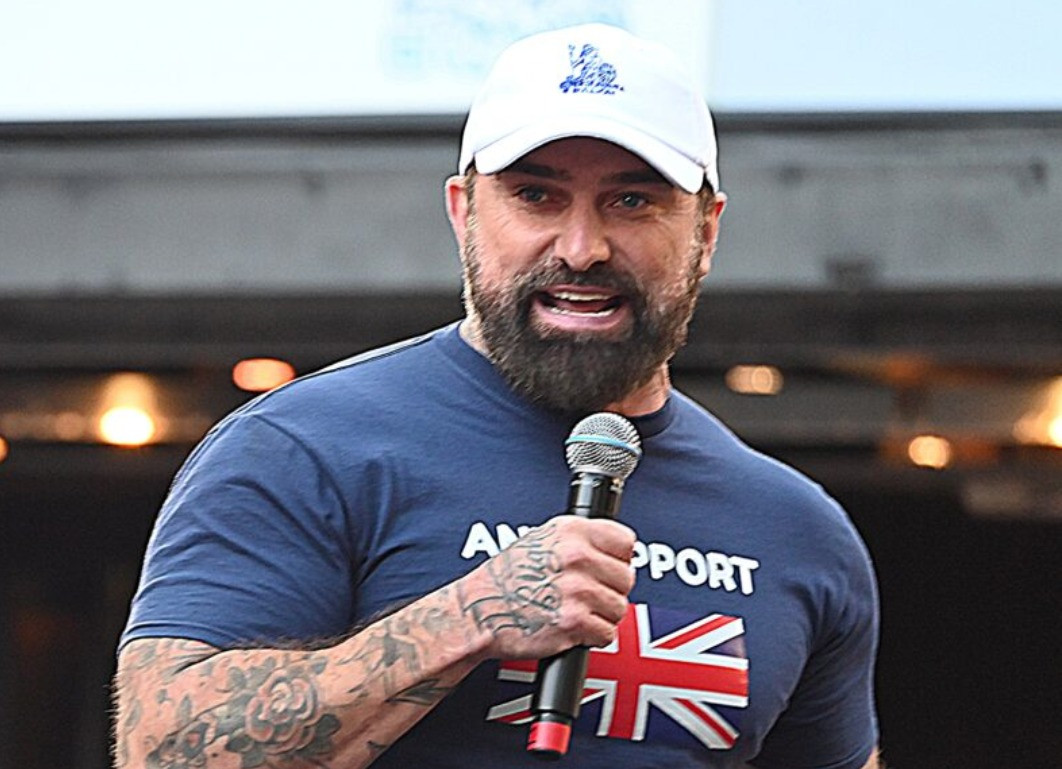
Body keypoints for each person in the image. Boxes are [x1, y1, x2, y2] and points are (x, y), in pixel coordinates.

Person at [113, 23, 881, 769]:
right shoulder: (305, 448)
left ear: (707, 232)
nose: (582, 248)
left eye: (632, 201)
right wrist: (467, 618)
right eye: (536, 196)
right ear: (464, 213)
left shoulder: (798, 529)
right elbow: (162, 751)